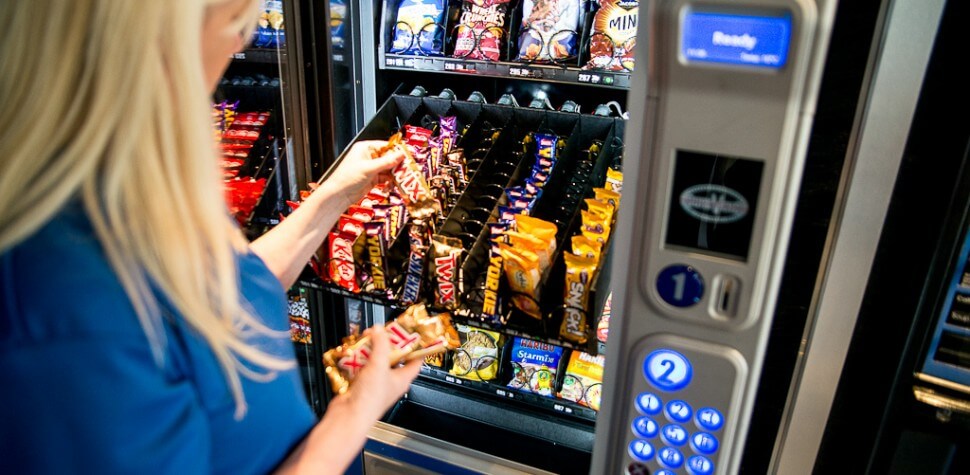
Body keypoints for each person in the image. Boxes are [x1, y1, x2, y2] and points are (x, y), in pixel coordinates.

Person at [0, 0, 422, 473]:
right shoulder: (59, 322)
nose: (243, 40)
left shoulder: (123, 184)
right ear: (151, 46)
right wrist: (354, 413)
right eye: (233, 20)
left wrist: (335, 196)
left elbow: (223, 289)